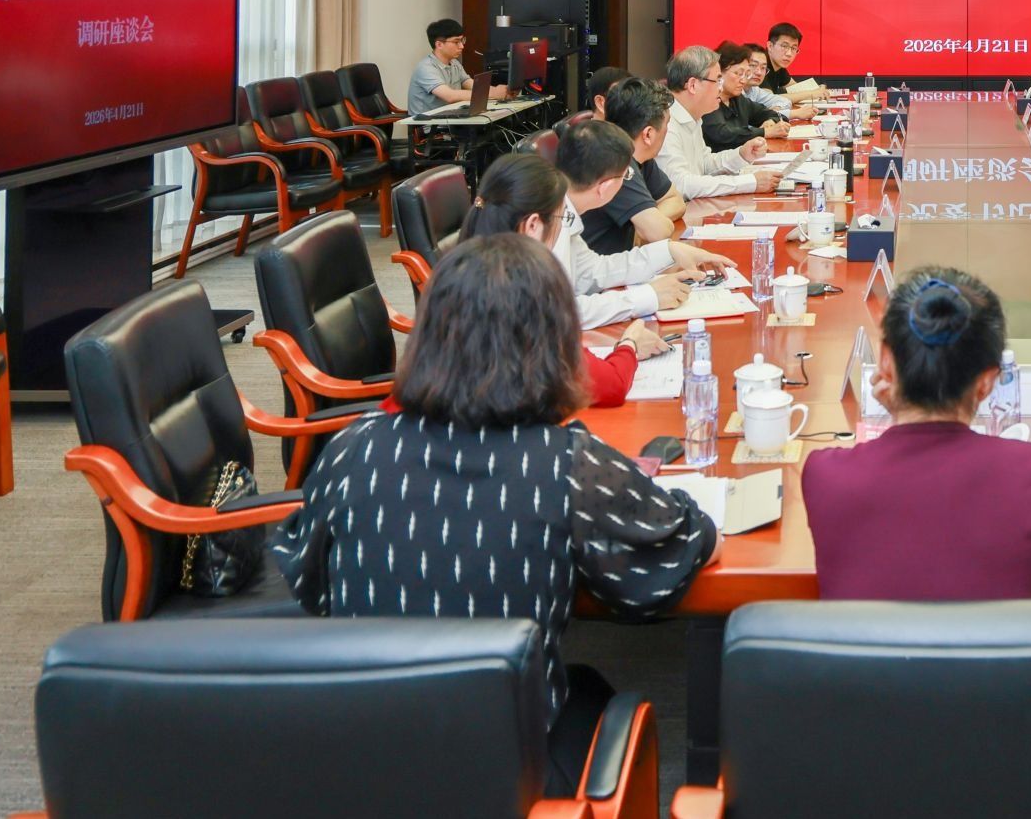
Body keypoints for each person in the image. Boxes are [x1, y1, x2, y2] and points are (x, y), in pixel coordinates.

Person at [271, 233, 719, 794]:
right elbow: (661, 573)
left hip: (359, 762)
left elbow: (310, 584)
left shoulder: (351, 448)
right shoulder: (565, 462)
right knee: (593, 694)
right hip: (509, 776)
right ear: (556, 342)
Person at [803, 267, 1031, 601]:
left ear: (885, 362)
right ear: (987, 382)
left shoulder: (826, 475)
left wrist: (901, 414)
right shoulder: (1030, 471)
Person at [445, 153, 666, 405]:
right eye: (562, 219)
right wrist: (629, 345)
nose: (561, 228)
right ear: (533, 226)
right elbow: (610, 384)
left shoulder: (451, 275)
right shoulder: (528, 292)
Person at [547, 119, 737, 328]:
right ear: (605, 187)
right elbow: (559, 312)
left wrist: (670, 251)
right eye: (626, 175)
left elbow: (591, 273)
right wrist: (649, 297)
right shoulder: (544, 222)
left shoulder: (563, 208)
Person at [655, 45, 781, 199]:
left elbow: (705, 164)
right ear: (693, 85)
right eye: (717, 81)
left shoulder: (693, 117)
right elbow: (681, 185)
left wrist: (741, 155)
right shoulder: (664, 123)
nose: (720, 89)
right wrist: (749, 182)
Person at [584, 75, 683, 253]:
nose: (667, 131)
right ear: (648, 134)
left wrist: (648, 223)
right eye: (667, 124)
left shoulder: (639, 156)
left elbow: (676, 200)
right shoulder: (612, 161)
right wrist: (651, 224)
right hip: (594, 267)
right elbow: (658, 232)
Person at [701, 41, 790, 151]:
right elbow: (721, 133)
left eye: (746, 74)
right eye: (738, 73)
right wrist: (765, 132)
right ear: (719, 72)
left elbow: (777, 115)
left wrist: (771, 121)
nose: (743, 80)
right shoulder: (707, 100)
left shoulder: (738, 100)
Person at [408, 18, 507, 115]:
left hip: (450, 117)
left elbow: (470, 84)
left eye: (462, 40)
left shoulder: (454, 63)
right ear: (439, 44)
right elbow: (449, 96)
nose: (462, 46)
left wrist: (501, 92)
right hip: (428, 123)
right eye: (456, 42)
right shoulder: (426, 68)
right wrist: (493, 94)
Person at [741, 42, 817, 121]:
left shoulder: (754, 90)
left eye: (763, 68)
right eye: (753, 65)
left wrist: (775, 111)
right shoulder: (736, 92)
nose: (759, 72)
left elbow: (785, 101)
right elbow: (749, 119)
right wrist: (794, 114)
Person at [760, 22, 825, 101]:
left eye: (793, 48)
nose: (789, 54)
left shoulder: (779, 66)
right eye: (784, 46)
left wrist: (818, 89)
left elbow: (796, 89)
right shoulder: (759, 65)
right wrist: (812, 93)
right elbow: (769, 100)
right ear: (770, 46)